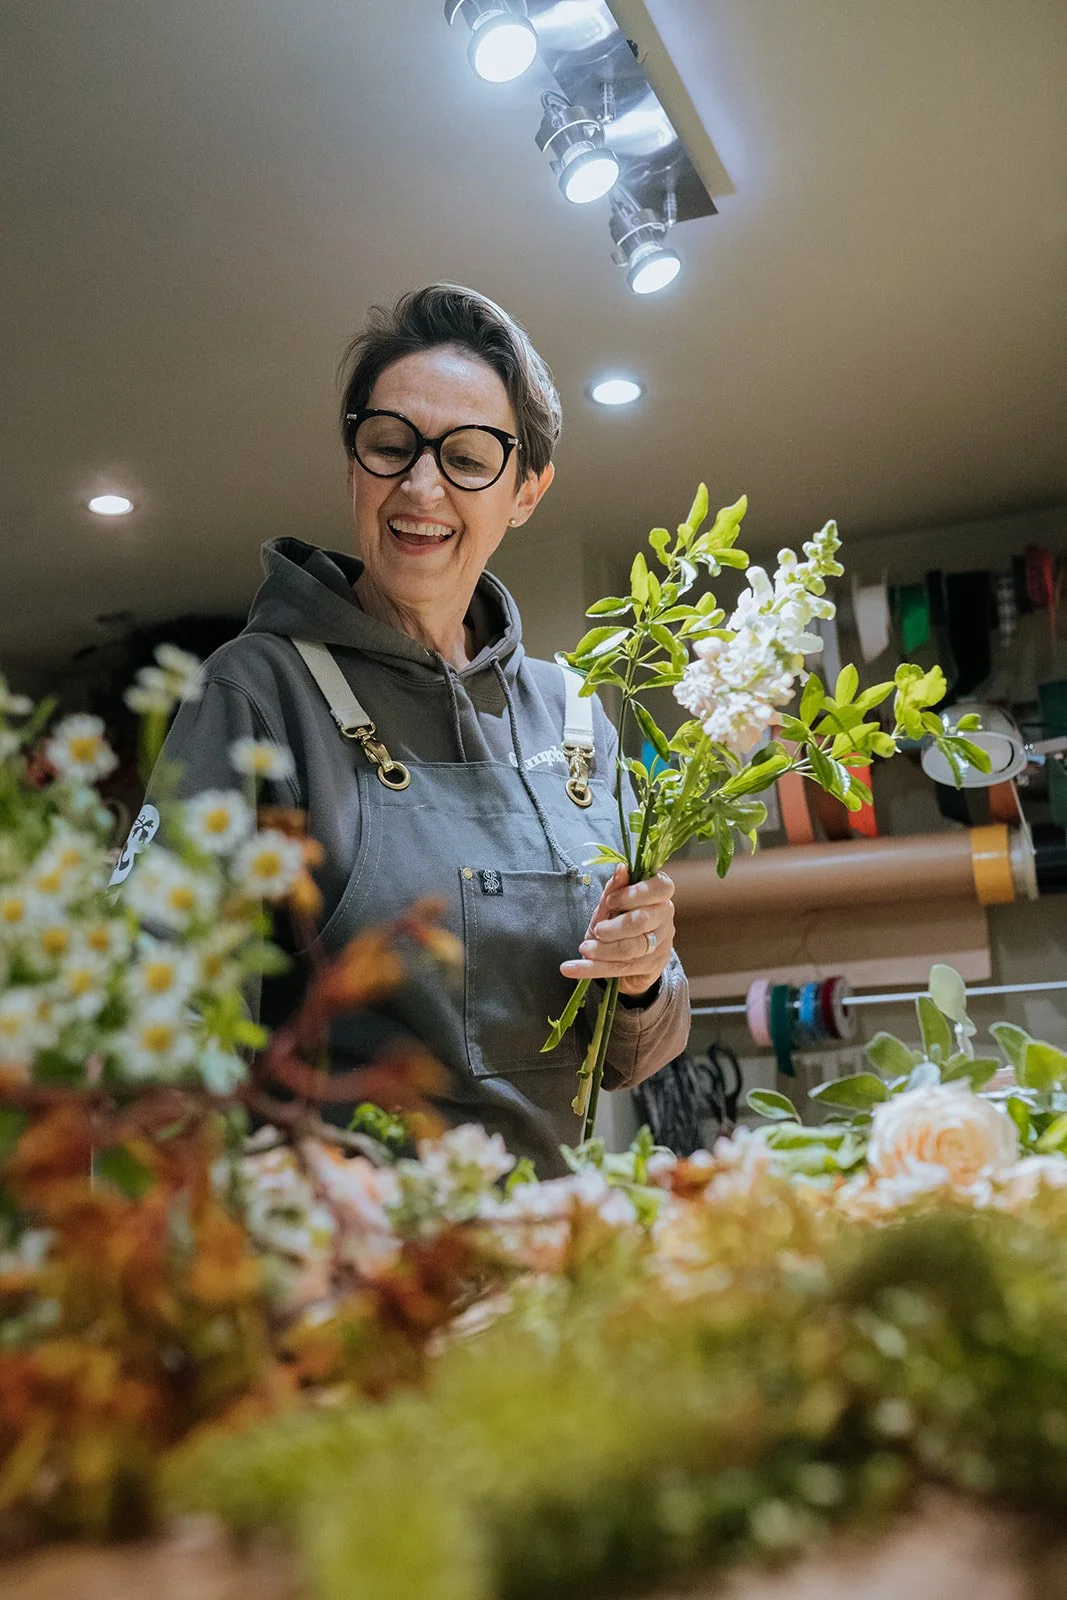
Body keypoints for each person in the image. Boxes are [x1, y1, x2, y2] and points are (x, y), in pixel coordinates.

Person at [148, 284, 689, 1173]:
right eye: (390, 446)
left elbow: (632, 1057)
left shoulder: (578, 711)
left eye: (469, 457)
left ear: (526, 491)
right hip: (350, 1279)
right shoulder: (256, 695)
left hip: (558, 1263)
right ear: (353, 466)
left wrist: (640, 981)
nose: (420, 485)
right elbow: (161, 1045)